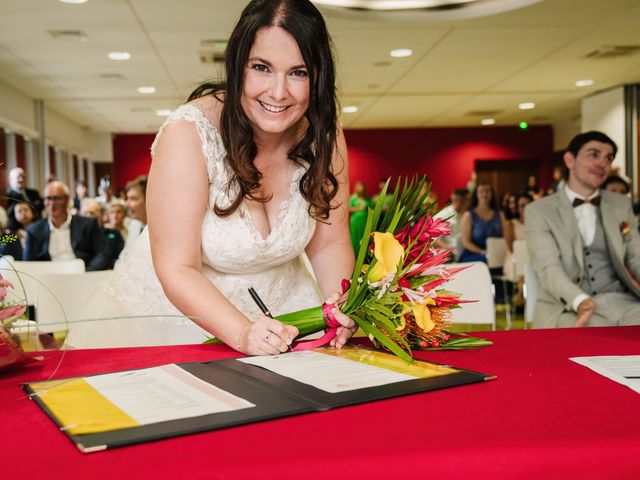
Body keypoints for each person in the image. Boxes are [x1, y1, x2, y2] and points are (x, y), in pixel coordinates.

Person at [66, 0, 356, 353]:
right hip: (182, 322)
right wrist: (242, 333)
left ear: (318, 76)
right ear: (237, 67)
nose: (278, 92)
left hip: (291, 313)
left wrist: (337, 305)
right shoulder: (189, 133)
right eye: (262, 68)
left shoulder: (325, 134)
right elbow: (177, 267)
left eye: (298, 73)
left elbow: (329, 243)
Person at [526, 131, 640, 328]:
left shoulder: (621, 205)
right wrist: (580, 301)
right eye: (593, 154)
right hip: (568, 305)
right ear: (570, 160)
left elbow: (636, 257)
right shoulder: (539, 211)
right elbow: (548, 268)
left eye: (608, 157)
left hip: (624, 302)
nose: (602, 163)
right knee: (593, 342)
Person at [23, 181, 111, 271]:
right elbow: (28, 265)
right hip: (49, 278)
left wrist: (86, 273)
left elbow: (103, 253)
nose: (52, 203)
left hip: (83, 276)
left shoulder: (88, 224)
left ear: (67, 200)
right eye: (49, 198)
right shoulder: (34, 231)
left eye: (57, 198)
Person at [459, 181, 507, 263]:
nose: (484, 194)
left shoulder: (500, 214)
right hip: (475, 254)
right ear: (476, 194)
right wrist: (483, 252)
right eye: (481, 191)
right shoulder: (469, 215)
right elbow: (466, 242)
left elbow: (506, 237)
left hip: (497, 253)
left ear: (491, 194)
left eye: (487, 191)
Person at [503, 192, 533, 305]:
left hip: (533, 259)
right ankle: (522, 298)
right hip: (514, 260)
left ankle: (520, 297)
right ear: (518, 208)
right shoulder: (510, 224)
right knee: (525, 269)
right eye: (522, 205)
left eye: (528, 205)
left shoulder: (539, 224)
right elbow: (512, 249)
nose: (525, 208)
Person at [80, 198, 124, 269]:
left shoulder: (114, 233)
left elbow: (121, 257)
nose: (88, 216)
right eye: (85, 213)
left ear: (99, 215)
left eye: (92, 213)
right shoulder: (76, 238)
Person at [435, 188, 468, 260]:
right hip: (443, 255)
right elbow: (435, 241)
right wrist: (450, 249)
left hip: (457, 252)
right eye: (468, 201)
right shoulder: (444, 215)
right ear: (460, 201)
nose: (470, 204)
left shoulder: (461, 214)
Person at [349, 180, 371, 255]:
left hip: (365, 221)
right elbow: (348, 209)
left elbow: (371, 208)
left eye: (362, 186)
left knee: (364, 237)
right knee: (355, 238)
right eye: (358, 186)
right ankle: (354, 256)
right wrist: (358, 208)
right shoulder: (352, 198)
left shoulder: (367, 198)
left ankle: (363, 256)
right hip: (355, 221)